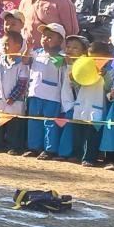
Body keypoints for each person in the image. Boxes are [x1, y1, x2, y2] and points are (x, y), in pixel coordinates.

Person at [25, 23, 70, 158]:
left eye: (50, 37)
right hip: (35, 93)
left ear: (60, 41)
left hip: (52, 96)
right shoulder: (36, 53)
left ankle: (49, 149)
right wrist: (28, 48)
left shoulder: (61, 56)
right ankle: (34, 147)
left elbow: (63, 66)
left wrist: (56, 55)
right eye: (43, 36)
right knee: (34, 121)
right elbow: (25, 61)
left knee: (50, 123)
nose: (45, 38)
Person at [66, 39, 108, 166]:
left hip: (96, 108)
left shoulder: (109, 71)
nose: (93, 62)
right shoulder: (85, 68)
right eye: (91, 58)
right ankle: (76, 155)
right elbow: (79, 87)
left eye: (97, 59)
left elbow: (109, 88)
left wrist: (105, 76)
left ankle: (89, 158)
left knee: (92, 135)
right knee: (78, 133)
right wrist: (74, 79)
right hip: (82, 105)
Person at [0, 28, 30, 154]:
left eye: (7, 44)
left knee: (14, 124)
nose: (4, 47)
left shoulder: (22, 64)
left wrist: (13, 97)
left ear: (17, 46)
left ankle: (14, 146)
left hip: (14, 100)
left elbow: (22, 83)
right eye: (3, 44)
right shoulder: (1, 60)